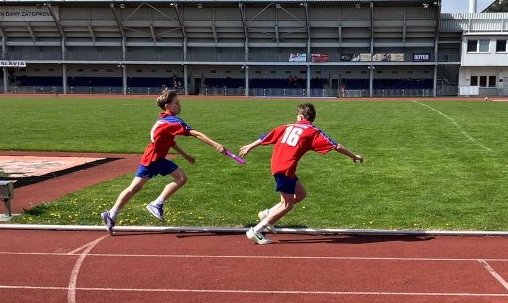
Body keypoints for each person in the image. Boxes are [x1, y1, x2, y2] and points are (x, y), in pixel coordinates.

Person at [100, 89, 225, 234]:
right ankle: (156, 204)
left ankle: (111, 214)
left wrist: (185, 155)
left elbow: (170, 142)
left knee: (134, 188)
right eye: (176, 103)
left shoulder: (164, 120)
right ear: (167, 106)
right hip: (155, 159)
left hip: (150, 157)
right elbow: (196, 134)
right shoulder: (172, 121)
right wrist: (216, 145)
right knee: (181, 177)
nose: (180, 105)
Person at [239, 102, 363, 244]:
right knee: (287, 205)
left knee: (300, 194)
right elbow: (336, 146)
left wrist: (250, 146)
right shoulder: (313, 132)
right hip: (286, 168)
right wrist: (354, 156)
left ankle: (267, 214)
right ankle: (256, 231)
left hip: (280, 165)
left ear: (301, 117)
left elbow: (266, 136)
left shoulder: (287, 127)